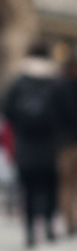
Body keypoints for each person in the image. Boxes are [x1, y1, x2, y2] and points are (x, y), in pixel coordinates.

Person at [2, 42, 63, 248]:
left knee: (27, 187)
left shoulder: (19, 81)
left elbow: (6, 110)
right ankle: (49, 225)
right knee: (50, 185)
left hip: (25, 142)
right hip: (51, 142)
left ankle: (29, 230)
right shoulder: (56, 81)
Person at [56, 58, 77, 235]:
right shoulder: (60, 88)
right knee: (67, 184)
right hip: (66, 144)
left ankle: (70, 221)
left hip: (65, 143)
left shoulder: (58, 87)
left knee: (67, 184)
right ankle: (70, 221)